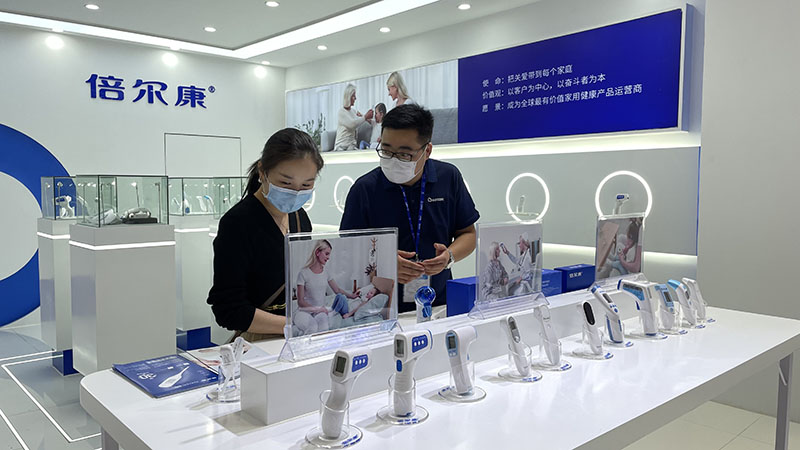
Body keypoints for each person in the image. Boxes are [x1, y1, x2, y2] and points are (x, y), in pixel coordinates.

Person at [340, 104, 479, 312]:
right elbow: (346, 250)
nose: (393, 160)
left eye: (404, 155)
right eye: (386, 150)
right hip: (380, 307)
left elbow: (468, 233)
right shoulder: (364, 189)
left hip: (439, 301)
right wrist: (384, 264)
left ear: (427, 150)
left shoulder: (449, 178)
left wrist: (449, 257)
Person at [207, 128, 322, 341]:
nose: (296, 192)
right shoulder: (238, 223)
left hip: (299, 337)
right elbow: (228, 309)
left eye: (306, 184)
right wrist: (291, 325)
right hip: (261, 340)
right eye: (286, 183)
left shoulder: (300, 218)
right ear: (262, 172)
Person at [295, 239, 358, 334]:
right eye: (326, 254)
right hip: (304, 312)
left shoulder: (326, 272)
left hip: (320, 312)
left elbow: (337, 290)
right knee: (312, 327)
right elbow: (300, 302)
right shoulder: (303, 273)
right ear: (317, 252)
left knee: (324, 330)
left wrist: (352, 296)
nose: (328, 258)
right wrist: (317, 309)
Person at [334, 84, 373, 152]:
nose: (355, 98)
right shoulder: (341, 112)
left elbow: (359, 121)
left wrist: (365, 116)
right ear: (348, 97)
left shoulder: (353, 111)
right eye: (353, 96)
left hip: (351, 145)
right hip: (341, 145)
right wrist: (365, 116)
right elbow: (352, 124)